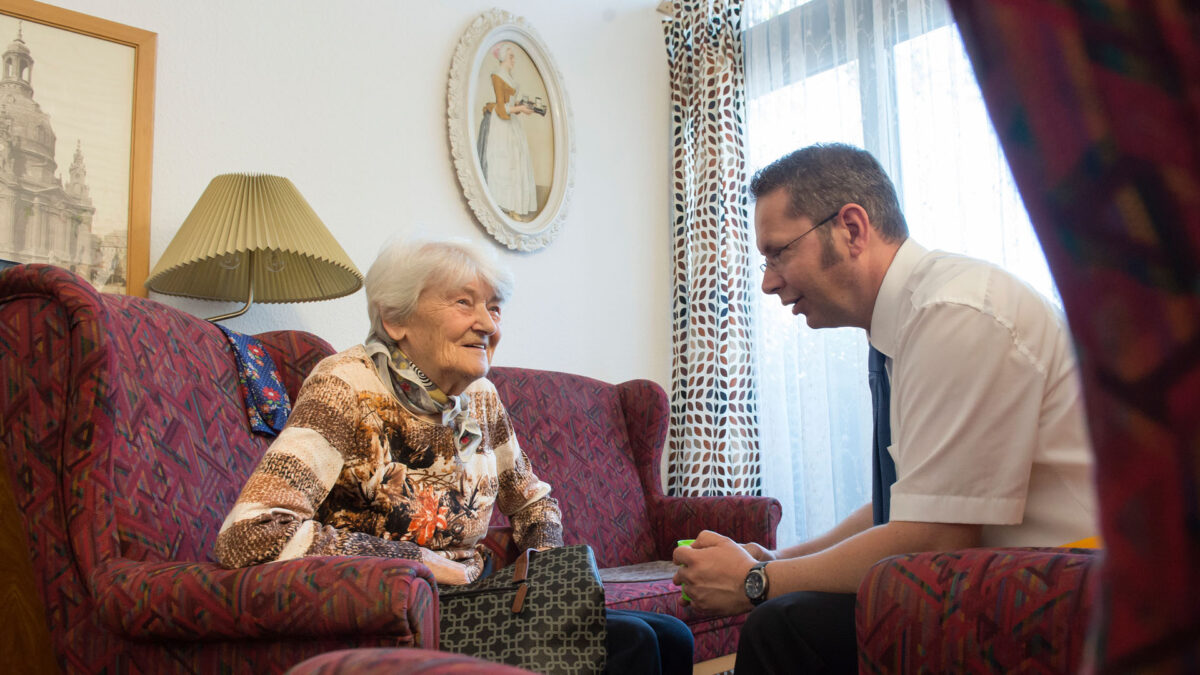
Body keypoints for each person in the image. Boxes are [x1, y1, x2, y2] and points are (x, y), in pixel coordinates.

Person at [672, 143, 1097, 673]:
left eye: (779, 253)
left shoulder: (955, 313)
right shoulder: (913, 320)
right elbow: (912, 503)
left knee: (782, 625)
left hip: (1067, 580)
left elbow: (934, 536)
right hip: (1011, 572)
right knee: (790, 614)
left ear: (851, 228)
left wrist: (756, 582)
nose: (768, 281)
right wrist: (779, 559)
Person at [215, 237, 692, 675]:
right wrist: (416, 561)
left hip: (476, 599)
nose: (487, 324)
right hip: (393, 615)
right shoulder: (345, 386)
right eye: (464, 302)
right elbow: (251, 534)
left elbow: (534, 503)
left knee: (670, 636)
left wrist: (545, 586)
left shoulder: (480, 398)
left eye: (495, 308)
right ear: (395, 319)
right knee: (629, 644)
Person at [476, 42, 539, 221]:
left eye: (513, 57)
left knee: (517, 161)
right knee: (505, 162)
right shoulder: (497, 76)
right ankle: (505, 205)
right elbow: (502, 108)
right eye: (511, 57)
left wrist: (523, 107)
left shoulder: (509, 76)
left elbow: (512, 104)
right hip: (501, 123)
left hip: (512, 124)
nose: (513, 60)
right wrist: (519, 109)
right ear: (503, 58)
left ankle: (515, 206)